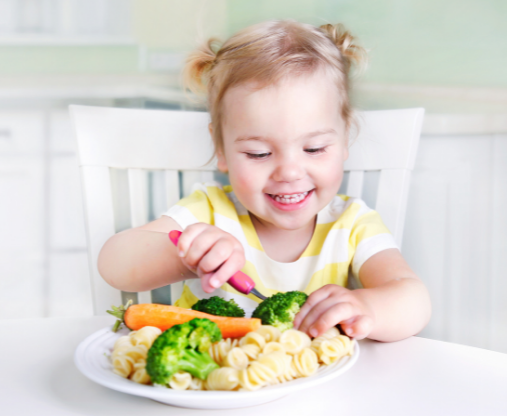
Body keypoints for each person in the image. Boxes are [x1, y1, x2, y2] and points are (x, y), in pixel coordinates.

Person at [98, 20, 431, 343]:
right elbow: (114, 263)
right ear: (222, 149)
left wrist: (367, 307)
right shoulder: (211, 211)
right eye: (258, 153)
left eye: (314, 148)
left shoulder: (353, 224)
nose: (288, 172)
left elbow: (414, 300)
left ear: (345, 140)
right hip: (208, 390)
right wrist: (185, 255)